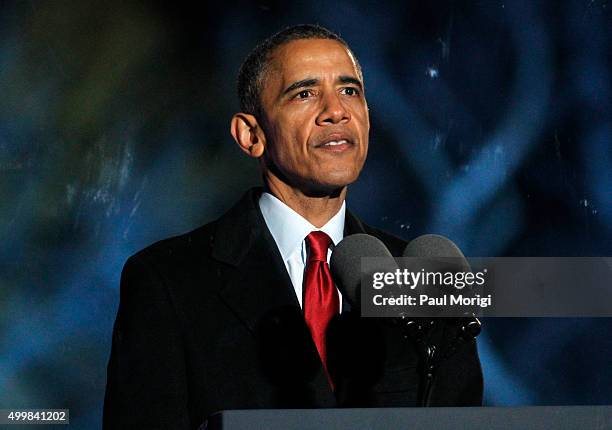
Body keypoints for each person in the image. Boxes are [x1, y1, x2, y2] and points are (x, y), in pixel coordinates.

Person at [103, 24, 483, 429]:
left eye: (350, 91)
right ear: (251, 135)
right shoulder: (169, 280)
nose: (336, 111)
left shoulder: (422, 275)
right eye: (304, 93)